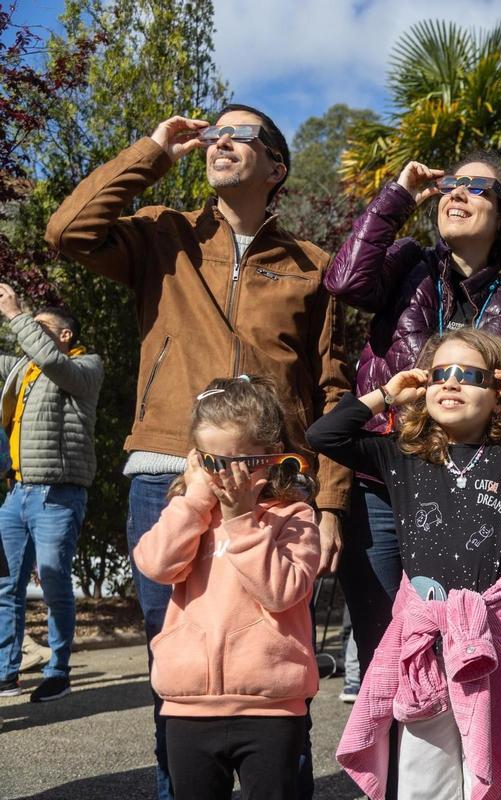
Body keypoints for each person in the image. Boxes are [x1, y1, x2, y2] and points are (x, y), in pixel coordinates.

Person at [44, 104, 351, 799]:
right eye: (216, 131)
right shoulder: (163, 234)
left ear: (275, 167)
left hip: (276, 487)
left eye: (242, 134)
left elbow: (332, 390)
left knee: (274, 643)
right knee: (175, 659)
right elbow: (67, 231)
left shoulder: (313, 266)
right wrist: (153, 148)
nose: (222, 140)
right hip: (170, 474)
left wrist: (329, 499)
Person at [308, 328, 501, 800]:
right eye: (438, 374)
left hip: (493, 642)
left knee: (493, 773)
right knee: (423, 779)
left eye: (468, 375)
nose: (450, 383)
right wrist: (386, 394)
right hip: (425, 644)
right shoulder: (401, 454)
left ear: (498, 392)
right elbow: (323, 434)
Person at [323, 152, 501, 680]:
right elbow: (344, 282)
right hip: (384, 484)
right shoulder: (407, 265)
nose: (457, 193)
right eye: (452, 184)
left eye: (476, 189)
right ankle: (390, 766)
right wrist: (396, 196)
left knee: (460, 651)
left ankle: (463, 763)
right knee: (383, 656)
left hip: (473, 488)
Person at [133, 376, 320, 800]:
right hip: (188, 705)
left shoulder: (295, 516)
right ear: (196, 460)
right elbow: (156, 564)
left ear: (271, 459)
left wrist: (241, 520)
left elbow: (281, 591)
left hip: (269, 705)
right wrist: (196, 501)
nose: (227, 478)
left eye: (241, 463)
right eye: (214, 463)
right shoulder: (192, 513)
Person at [0, 287, 102, 702]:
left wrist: (17, 315)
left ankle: (58, 670)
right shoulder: (23, 370)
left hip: (58, 495)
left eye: (41, 328)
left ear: (63, 336)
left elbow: (50, 361)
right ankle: (6, 673)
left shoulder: (86, 366)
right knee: (5, 586)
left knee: (56, 582)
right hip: (17, 494)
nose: (31, 333)